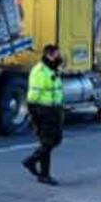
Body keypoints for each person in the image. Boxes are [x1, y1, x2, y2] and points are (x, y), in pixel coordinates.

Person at [22, 44, 65, 186]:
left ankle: (33, 161)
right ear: (49, 55)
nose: (60, 57)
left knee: (56, 140)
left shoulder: (52, 69)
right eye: (57, 54)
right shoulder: (39, 71)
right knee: (47, 142)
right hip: (44, 111)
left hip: (55, 110)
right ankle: (43, 173)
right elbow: (33, 95)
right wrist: (34, 114)